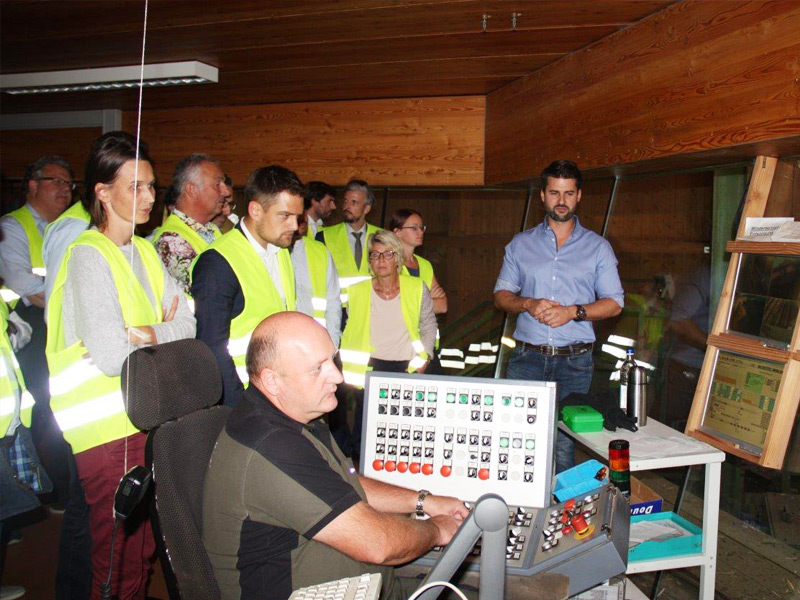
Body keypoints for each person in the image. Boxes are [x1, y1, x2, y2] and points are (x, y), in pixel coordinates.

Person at [202, 312, 468, 600]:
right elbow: (377, 543)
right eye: (318, 368)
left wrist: (424, 500)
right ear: (272, 381)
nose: (338, 376)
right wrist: (437, 529)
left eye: (332, 359)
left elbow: (341, 481)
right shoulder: (271, 445)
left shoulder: (297, 413)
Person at [45, 131, 196, 600]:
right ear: (102, 192)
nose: (150, 196)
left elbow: (190, 323)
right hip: (106, 428)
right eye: (135, 186)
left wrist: (145, 332)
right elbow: (111, 356)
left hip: (142, 416)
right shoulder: (90, 255)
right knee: (117, 560)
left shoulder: (146, 250)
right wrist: (155, 330)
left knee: (142, 547)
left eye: (152, 186)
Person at [493, 159, 624, 473]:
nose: (561, 201)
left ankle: (559, 519)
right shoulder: (520, 245)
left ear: (579, 196)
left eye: (568, 193)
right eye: (554, 193)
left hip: (574, 363)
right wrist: (527, 304)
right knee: (517, 444)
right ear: (543, 196)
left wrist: (573, 312)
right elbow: (501, 296)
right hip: (526, 360)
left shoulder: (598, 248)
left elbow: (615, 303)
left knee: (564, 448)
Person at [191, 165, 304, 407]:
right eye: (285, 216)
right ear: (256, 210)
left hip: (278, 395)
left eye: (297, 217)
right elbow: (211, 348)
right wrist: (239, 409)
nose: (295, 226)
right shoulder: (218, 262)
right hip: (243, 400)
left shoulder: (280, 250)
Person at [340, 230, 436, 457]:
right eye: (375, 255)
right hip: (369, 370)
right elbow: (345, 330)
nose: (381, 260)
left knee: (405, 433)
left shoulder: (416, 287)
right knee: (365, 436)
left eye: (387, 254)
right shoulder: (356, 291)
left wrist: (425, 359)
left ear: (398, 258)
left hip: (407, 368)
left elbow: (429, 325)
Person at [151, 154, 229, 295]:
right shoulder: (171, 241)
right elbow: (211, 293)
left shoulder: (211, 231)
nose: (226, 192)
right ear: (192, 189)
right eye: (217, 184)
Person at [316, 180, 382, 305]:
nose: (347, 206)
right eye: (345, 201)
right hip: (338, 309)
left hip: (373, 308)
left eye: (354, 202)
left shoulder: (382, 237)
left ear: (366, 208)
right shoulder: (324, 236)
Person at [290, 218, 342, 347]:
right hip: (280, 340)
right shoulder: (271, 251)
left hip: (315, 340)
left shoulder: (319, 251)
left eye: (301, 217)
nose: (298, 222)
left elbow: (333, 301)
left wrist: (332, 343)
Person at [390, 208, 447, 315]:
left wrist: (413, 303)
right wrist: (428, 300)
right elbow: (395, 306)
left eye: (421, 228)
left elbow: (442, 306)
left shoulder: (425, 264)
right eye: (414, 228)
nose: (420, 231)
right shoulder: (387, 263)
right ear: (397, 232)